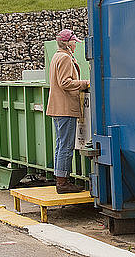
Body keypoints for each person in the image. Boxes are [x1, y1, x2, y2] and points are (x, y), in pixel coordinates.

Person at [46, 29, 90, 194]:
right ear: (67, 43)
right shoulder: (65, 58)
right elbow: (65, 83)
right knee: (66, 145)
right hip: (65, 108)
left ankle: (60, 178)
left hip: (57, 108)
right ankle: (63, 183)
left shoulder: (57, 56)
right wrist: (84, 83)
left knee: (60, 144)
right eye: (74, 42)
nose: (75, 45)